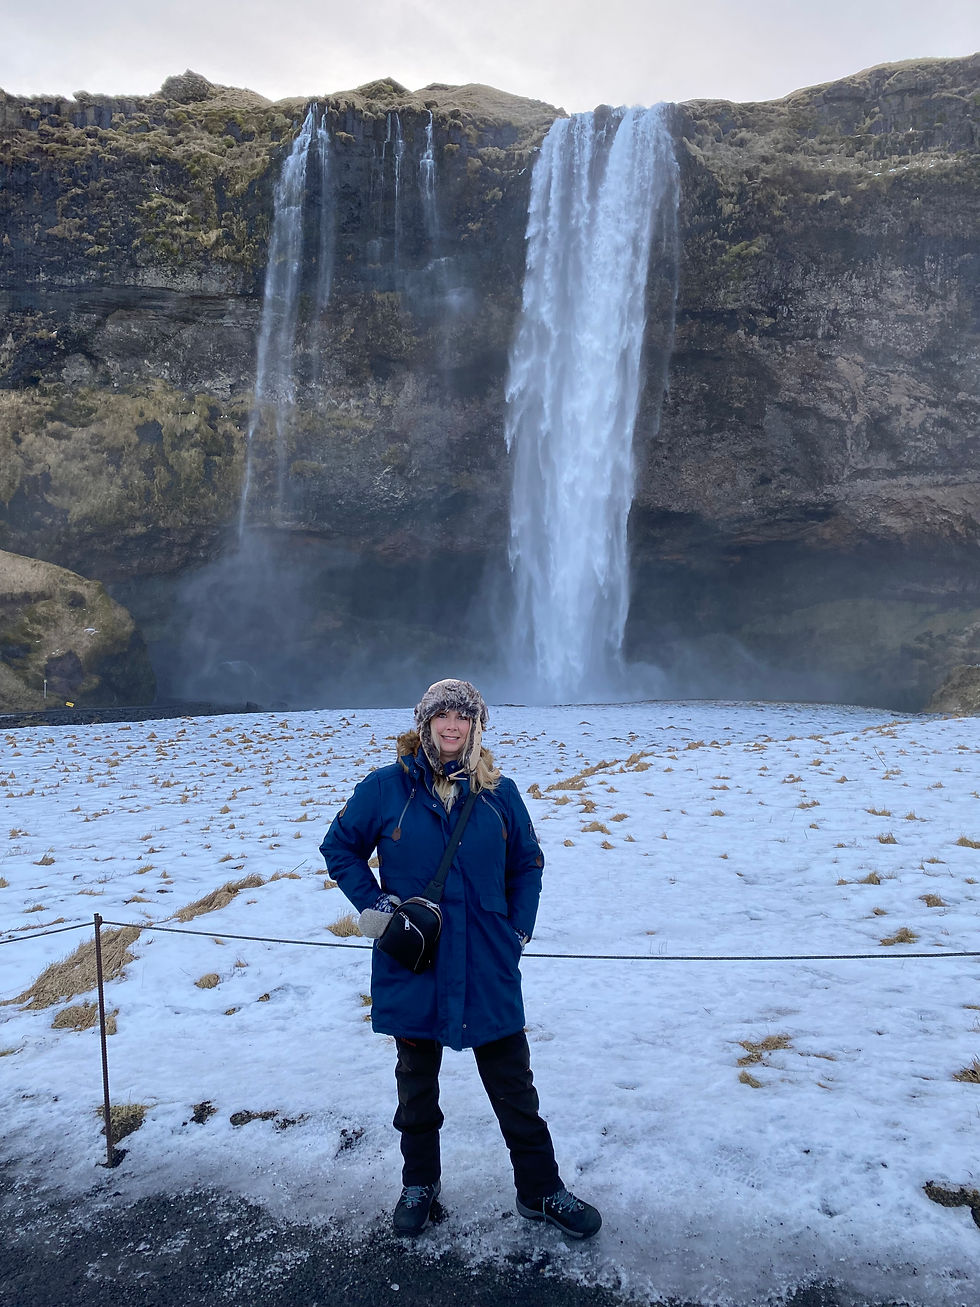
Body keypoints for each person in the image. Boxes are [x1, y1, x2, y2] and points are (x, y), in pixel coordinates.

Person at [319, 678, 601, 1239]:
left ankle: (540, 1189)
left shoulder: (500, 793)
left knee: (514, 1085)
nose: (452, 726)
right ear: (425, 724)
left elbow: (528, 863)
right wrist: (378, 907)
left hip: (486, 961)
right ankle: (419, 1185)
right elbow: (339, 846)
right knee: (416, 1086)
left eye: (463, 717)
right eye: (442, 716)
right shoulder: (387, 788)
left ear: (476, 726)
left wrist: (517, 930)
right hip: (415, 961)